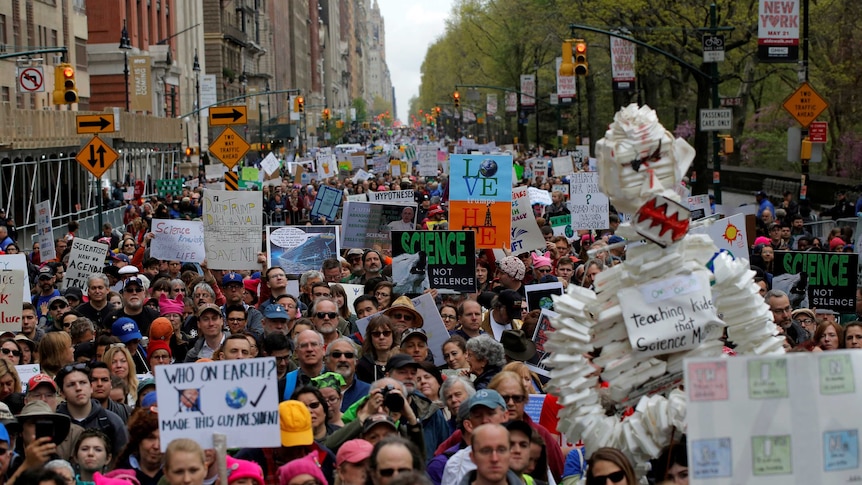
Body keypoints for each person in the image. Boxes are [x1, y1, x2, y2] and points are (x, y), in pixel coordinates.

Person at [53, 363, 129, 457]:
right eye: (71, 385)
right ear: (62, 393)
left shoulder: (112, 422)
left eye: (83, 382)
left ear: (91, 387)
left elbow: (123, 461)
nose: (78, 388)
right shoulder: (54, 423)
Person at [115, 406, 164, 485]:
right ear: (138, 440)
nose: (156, 446)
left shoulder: (179, 474)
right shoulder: (120, 476)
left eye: (163, 439)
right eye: (150, 438)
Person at [325, 338, 371, 411]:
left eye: (348, 355)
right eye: (337, 355)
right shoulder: (315, 391)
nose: (343, 359)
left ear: (356, 362)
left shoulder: (368, 392)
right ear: (326, 361)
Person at [357, 315, 399, 383]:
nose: (381, 337)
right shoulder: (363, 365)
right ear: (370, 338)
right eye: (376, 334)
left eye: (386, 333)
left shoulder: (402, 362)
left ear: (393, 335)